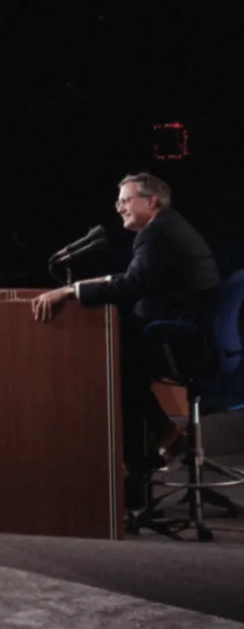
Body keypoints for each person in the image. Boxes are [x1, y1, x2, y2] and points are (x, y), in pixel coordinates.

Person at [31, 173, 219, 503]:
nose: (119, 207)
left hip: (182, 341)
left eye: (126, 200)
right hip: (187, 334)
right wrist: (73, 288)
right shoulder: (165, 228)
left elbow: (131, 287)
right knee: (119, 362)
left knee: (114, 368)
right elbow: (134, 277)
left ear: (152, 201)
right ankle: (158, 443)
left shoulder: (158, 233)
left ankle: (141, 475)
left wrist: (71, 291)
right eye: (118, 201)